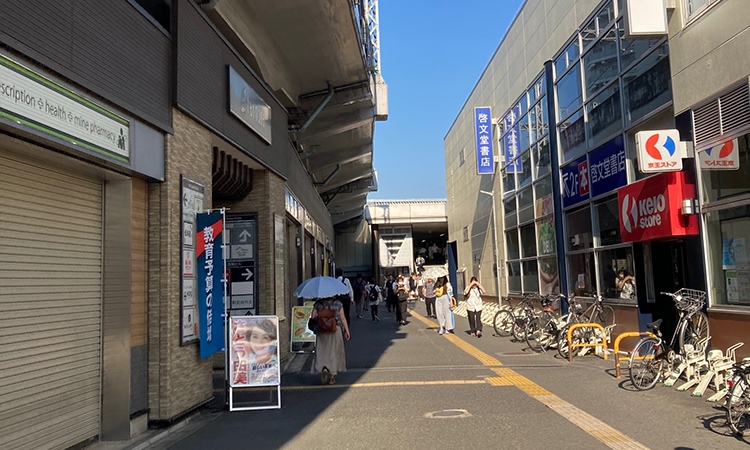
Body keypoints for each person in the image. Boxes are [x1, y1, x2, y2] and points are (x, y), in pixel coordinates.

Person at [310, 295, 350, 384]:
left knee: (322, 351)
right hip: (335, 328)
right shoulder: (338, 303)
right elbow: (342, 318)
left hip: (322, 329)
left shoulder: (318, 303)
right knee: (334, 351)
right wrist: (347, 331)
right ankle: (332, 376)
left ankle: (324, 368)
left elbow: (313, 316)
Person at [245, 318, 279, 384]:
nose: (259, 342)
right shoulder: (244, 361)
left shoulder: (275, 363)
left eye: (265, 337)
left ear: (272, 341)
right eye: (255, 337)